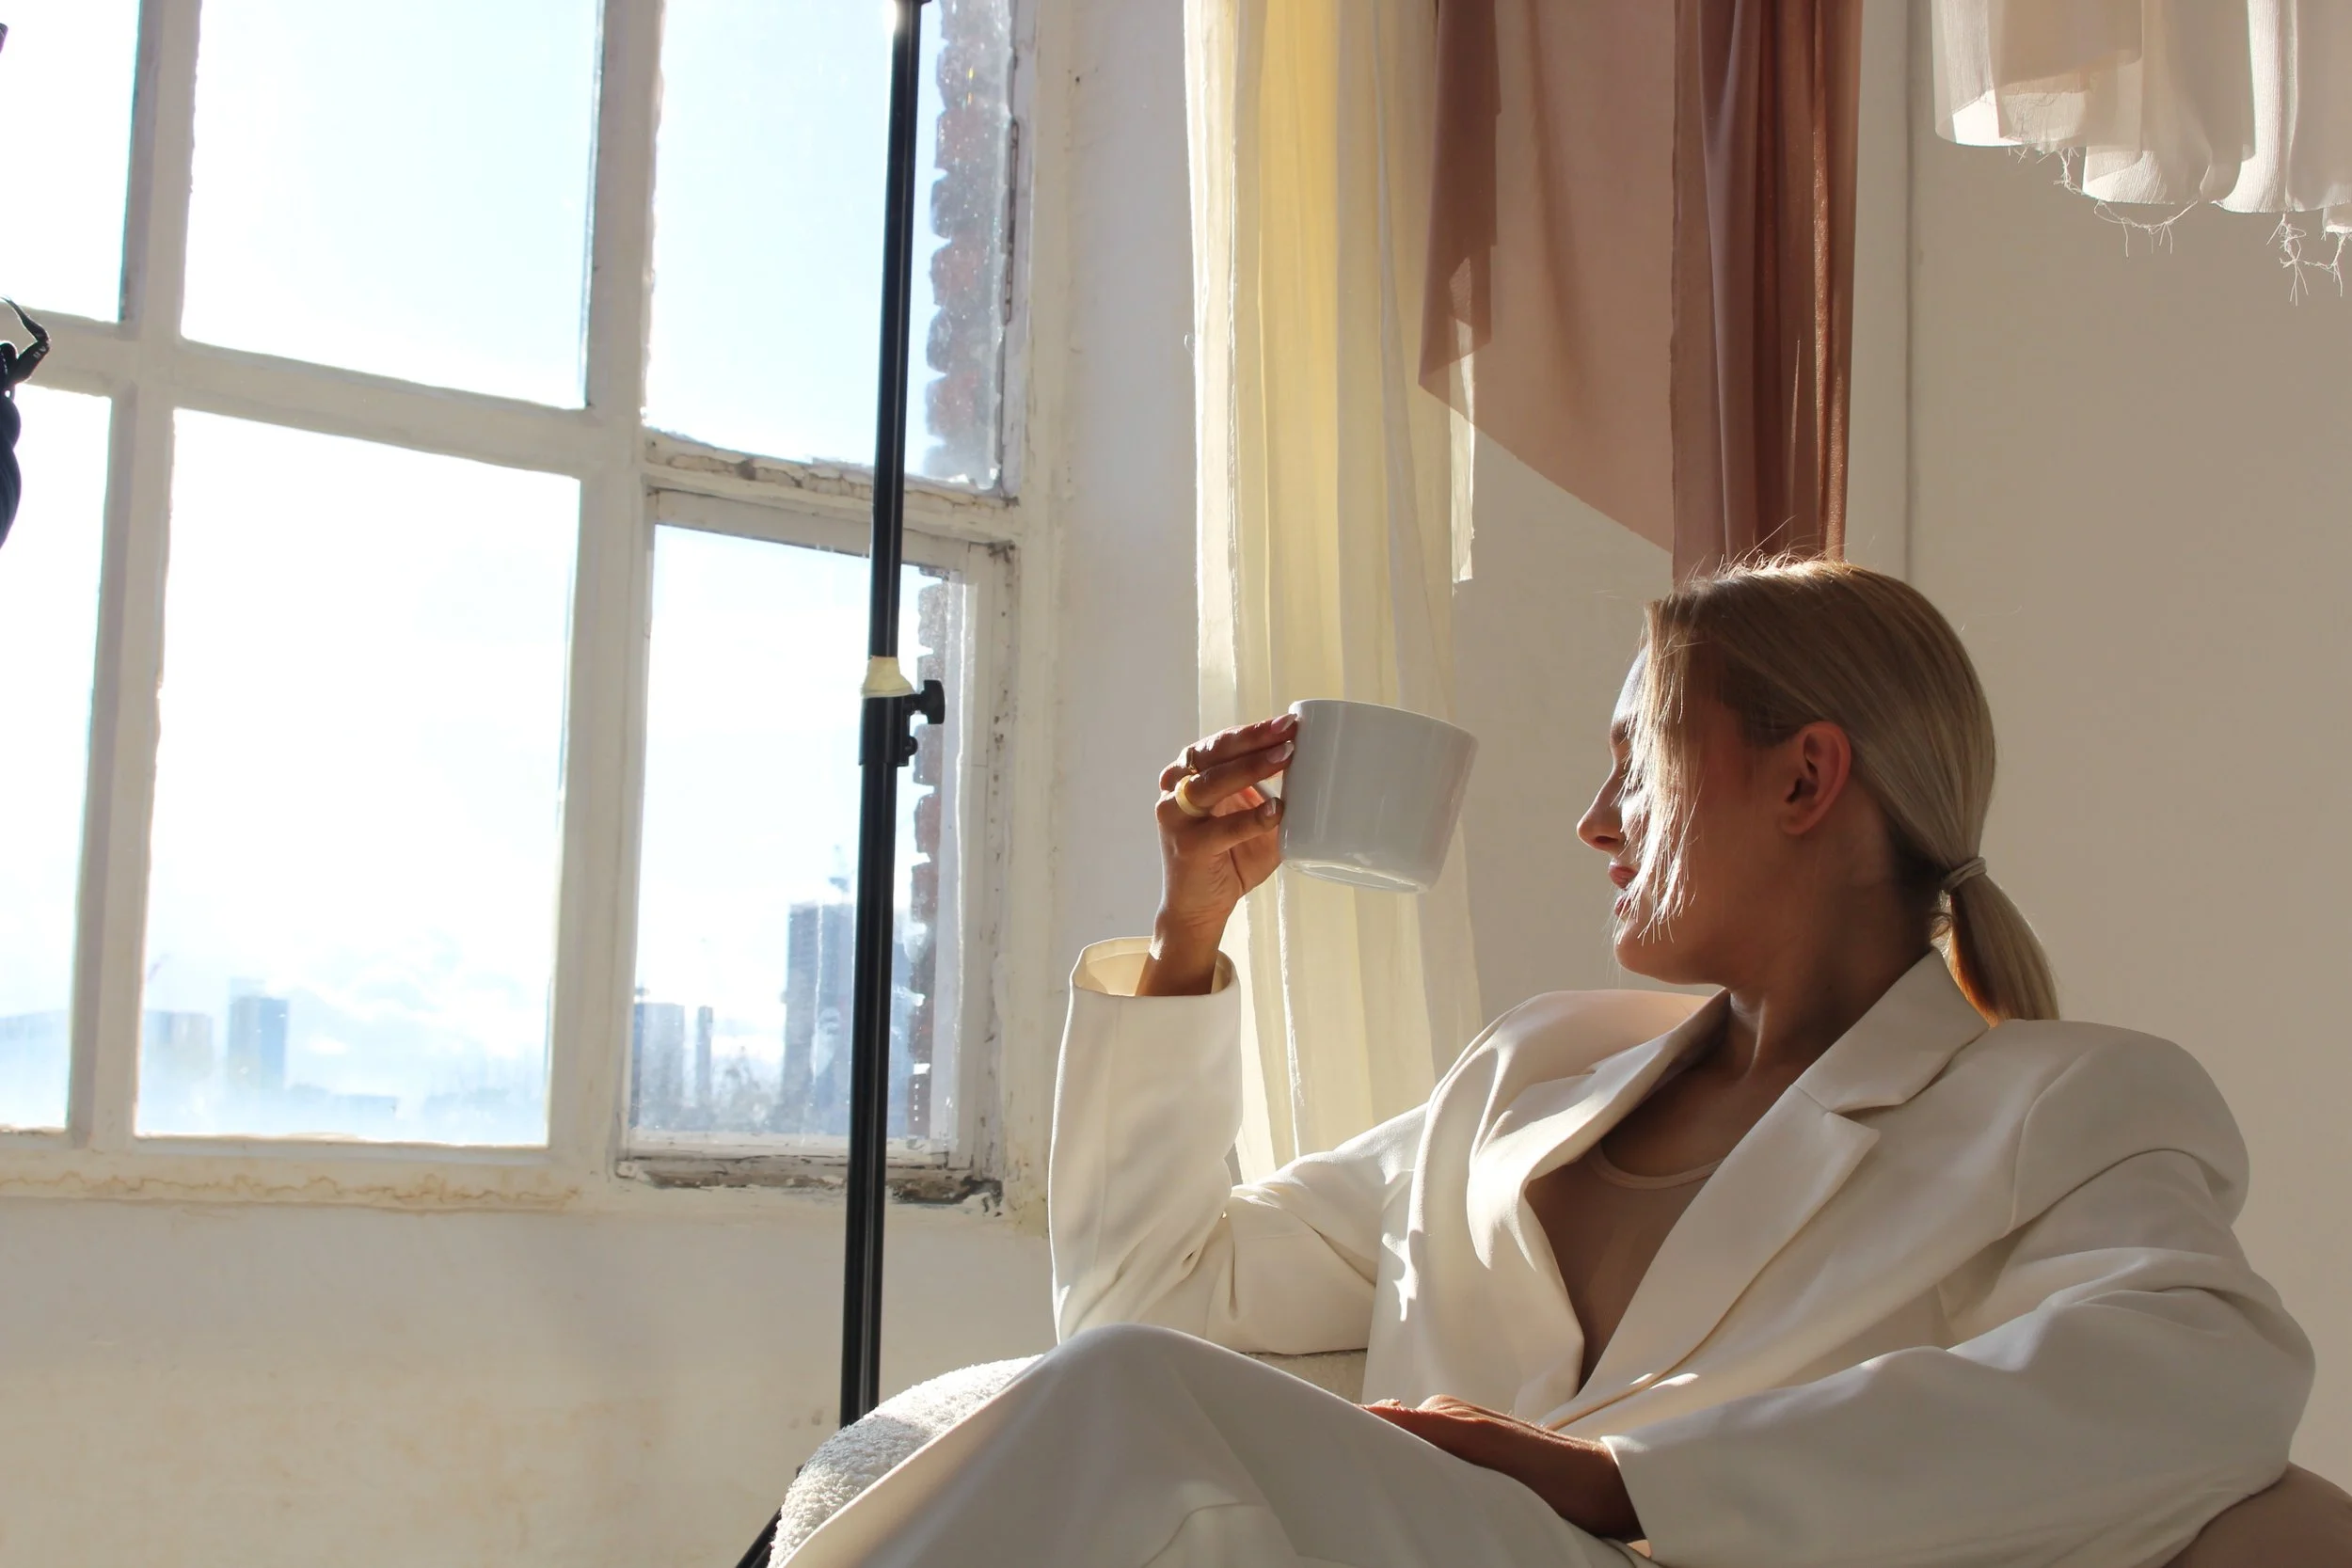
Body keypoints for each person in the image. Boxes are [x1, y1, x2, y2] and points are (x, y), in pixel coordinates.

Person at [785, 560, 2312, 1568]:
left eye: (1633, 760)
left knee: (1135, 1398)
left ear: (1805, 774)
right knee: (1128, 1391)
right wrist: (1192, 931)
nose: (1594, 822)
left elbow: (2203, 1381)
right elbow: (1145, 1299)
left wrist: (1629, 1477)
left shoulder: (2059, 1101)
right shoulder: (1528, 1074)